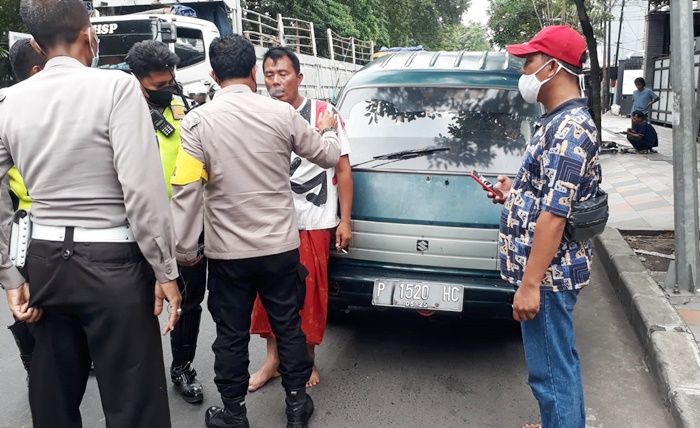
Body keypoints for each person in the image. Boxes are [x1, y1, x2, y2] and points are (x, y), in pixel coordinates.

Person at [0, 0, 182, 426]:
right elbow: (142, 191)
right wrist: (165, 270)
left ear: (36, 44)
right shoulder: (116, 90)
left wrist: (10, 275)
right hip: (113, 265)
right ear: (88, 34)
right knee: (135, 400)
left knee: (53, 396)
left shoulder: (9, 102)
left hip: (44, 262)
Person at [170, 34, 341, 428]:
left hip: (227, 253)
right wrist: (328, 129)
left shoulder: (197, 121)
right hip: (280, 248)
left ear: (214, 75)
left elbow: (185, 190)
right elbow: (328, 155)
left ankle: (233, 413)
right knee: (288, 324)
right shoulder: (282, 115)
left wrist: (185, 252)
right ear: (253, 72)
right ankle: (297, 406)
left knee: (230, 333)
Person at [489, 26, 601, 428]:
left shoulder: (570, 130)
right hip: (547, 272)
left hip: (549, 276)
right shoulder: (556, 121)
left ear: (554, 67)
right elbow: (548, 193)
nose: (523, 70)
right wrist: (514, 192)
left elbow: (555, 215)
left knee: (551, 372)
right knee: (554, 366)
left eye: (529, 61)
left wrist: (530, 284)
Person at [249, 46, 353, 391]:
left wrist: (345, 220)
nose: (276, 81)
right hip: (271, 222)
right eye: (269, 74)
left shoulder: (325, 112)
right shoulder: (260, 114)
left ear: (299, 77)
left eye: (283, 74)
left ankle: (307, 359)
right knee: (268, 293)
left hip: (315, 218)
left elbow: (343, 168)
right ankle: (273, 361)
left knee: (309, 293)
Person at [126, 40, 206, 404]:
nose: (168, 88)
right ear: (137, 80)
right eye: (159, 86)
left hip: (183, 223)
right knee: (138, 304)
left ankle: (182, 367)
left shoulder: (179, 102)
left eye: (171, 80)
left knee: (188, 302)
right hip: (134, 226)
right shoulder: (121, 111)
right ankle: (135, 375)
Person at [4, 37, 46, 376]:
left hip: (20, 232)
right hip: (32, 229)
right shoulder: (31, 114)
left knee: (30, 303)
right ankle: (37, 368)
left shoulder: (9, 108)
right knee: (33, 308)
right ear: (36, 70)